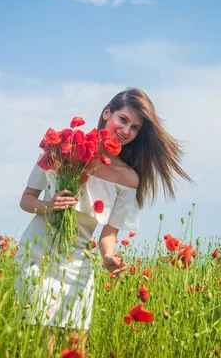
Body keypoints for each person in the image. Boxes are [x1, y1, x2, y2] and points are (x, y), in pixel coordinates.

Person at [15, 87, 192, 354]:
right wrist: (50, 206)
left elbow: (108, 234)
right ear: (106, 113)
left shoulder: (128, 178)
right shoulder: (63, 148)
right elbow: (27, 199)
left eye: (134, 128)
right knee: (43, 347)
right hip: (38, 257)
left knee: (76, 349)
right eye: (123, 119)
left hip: (78, 265)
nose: (126, 131)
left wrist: (109, 257)